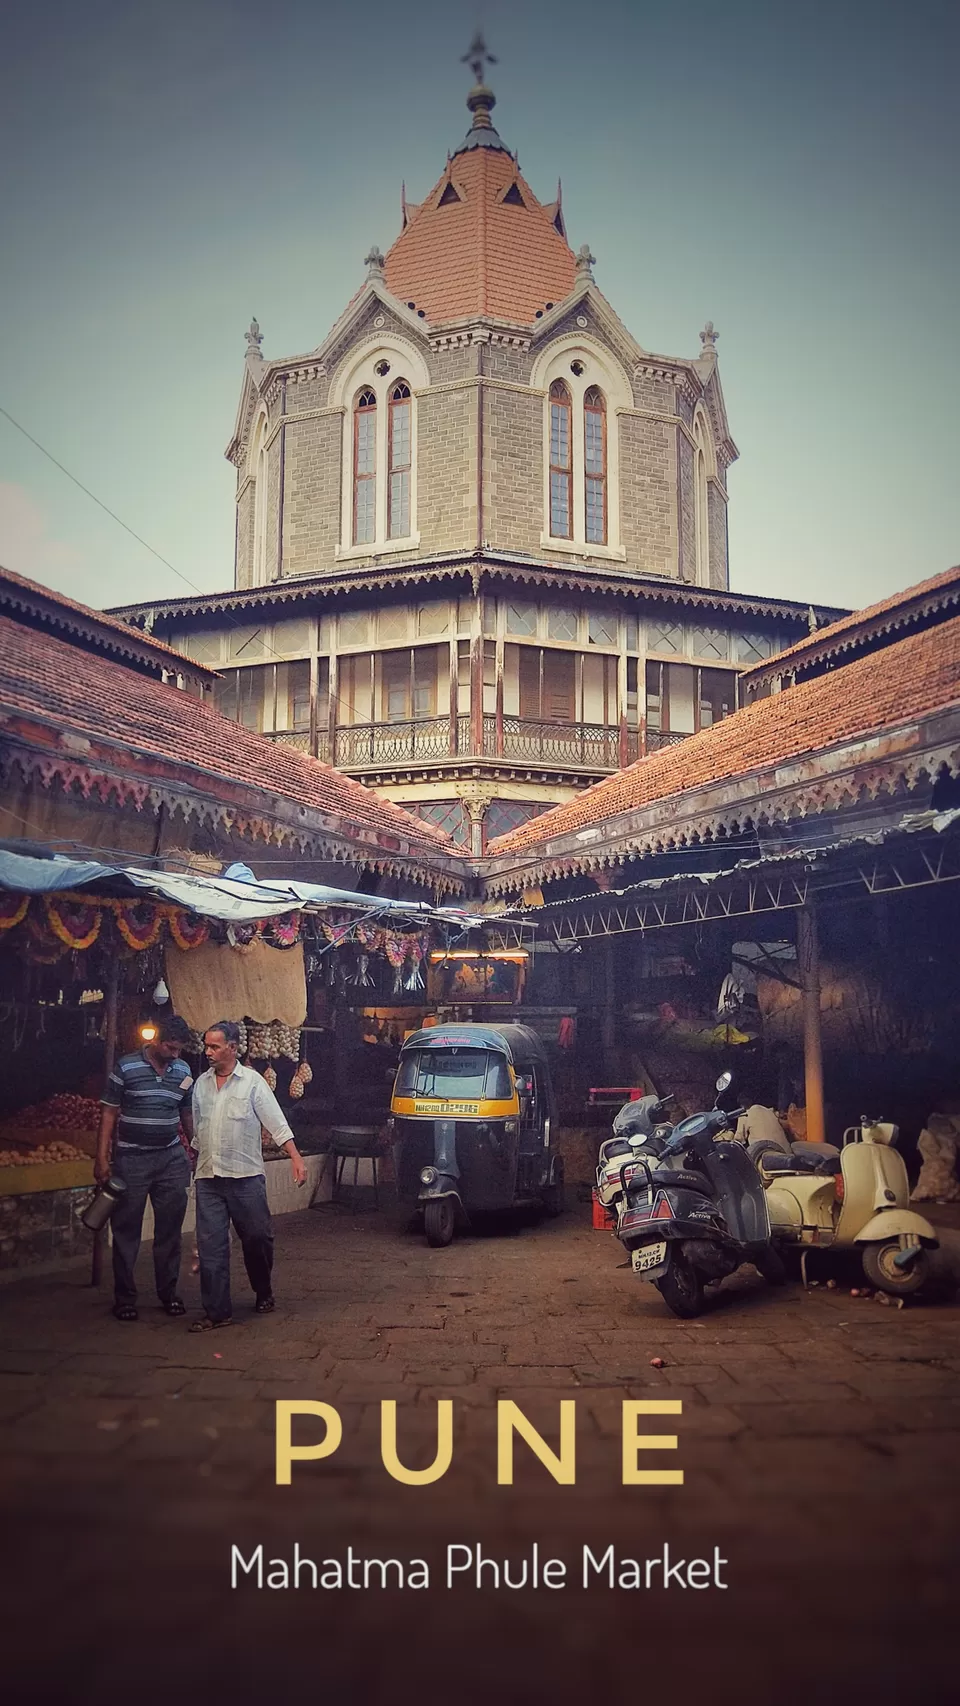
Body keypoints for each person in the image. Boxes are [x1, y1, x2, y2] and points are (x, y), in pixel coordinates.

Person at [189, 1019, 306, 1331]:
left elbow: (276, 1121)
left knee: (257, 1239)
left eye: (214, 1046)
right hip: (209, 1178)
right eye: (206, 1045)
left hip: (245, 1178)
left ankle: (263, 1290)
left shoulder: (253, 1082)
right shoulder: (201, 1084)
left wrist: (295, 1157)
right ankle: (217, 1312)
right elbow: (199, 1127)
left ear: (232, 1048)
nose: (208, 1052)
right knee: (212, 1244)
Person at [96, 1014, 195, 1322]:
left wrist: (195, 1148)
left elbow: (186, 1112)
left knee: (170, 1231)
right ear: (155, 1040)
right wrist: (101, 1157)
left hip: (171, 1159)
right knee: (126, 1231)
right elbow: (109, 1113)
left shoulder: (183, 1070)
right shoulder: (126, 1067)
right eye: (171, 1048)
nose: (176, 1055)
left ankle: (168, 1293)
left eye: (180, 1050)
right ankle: (124, 1298)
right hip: (132, 1159)